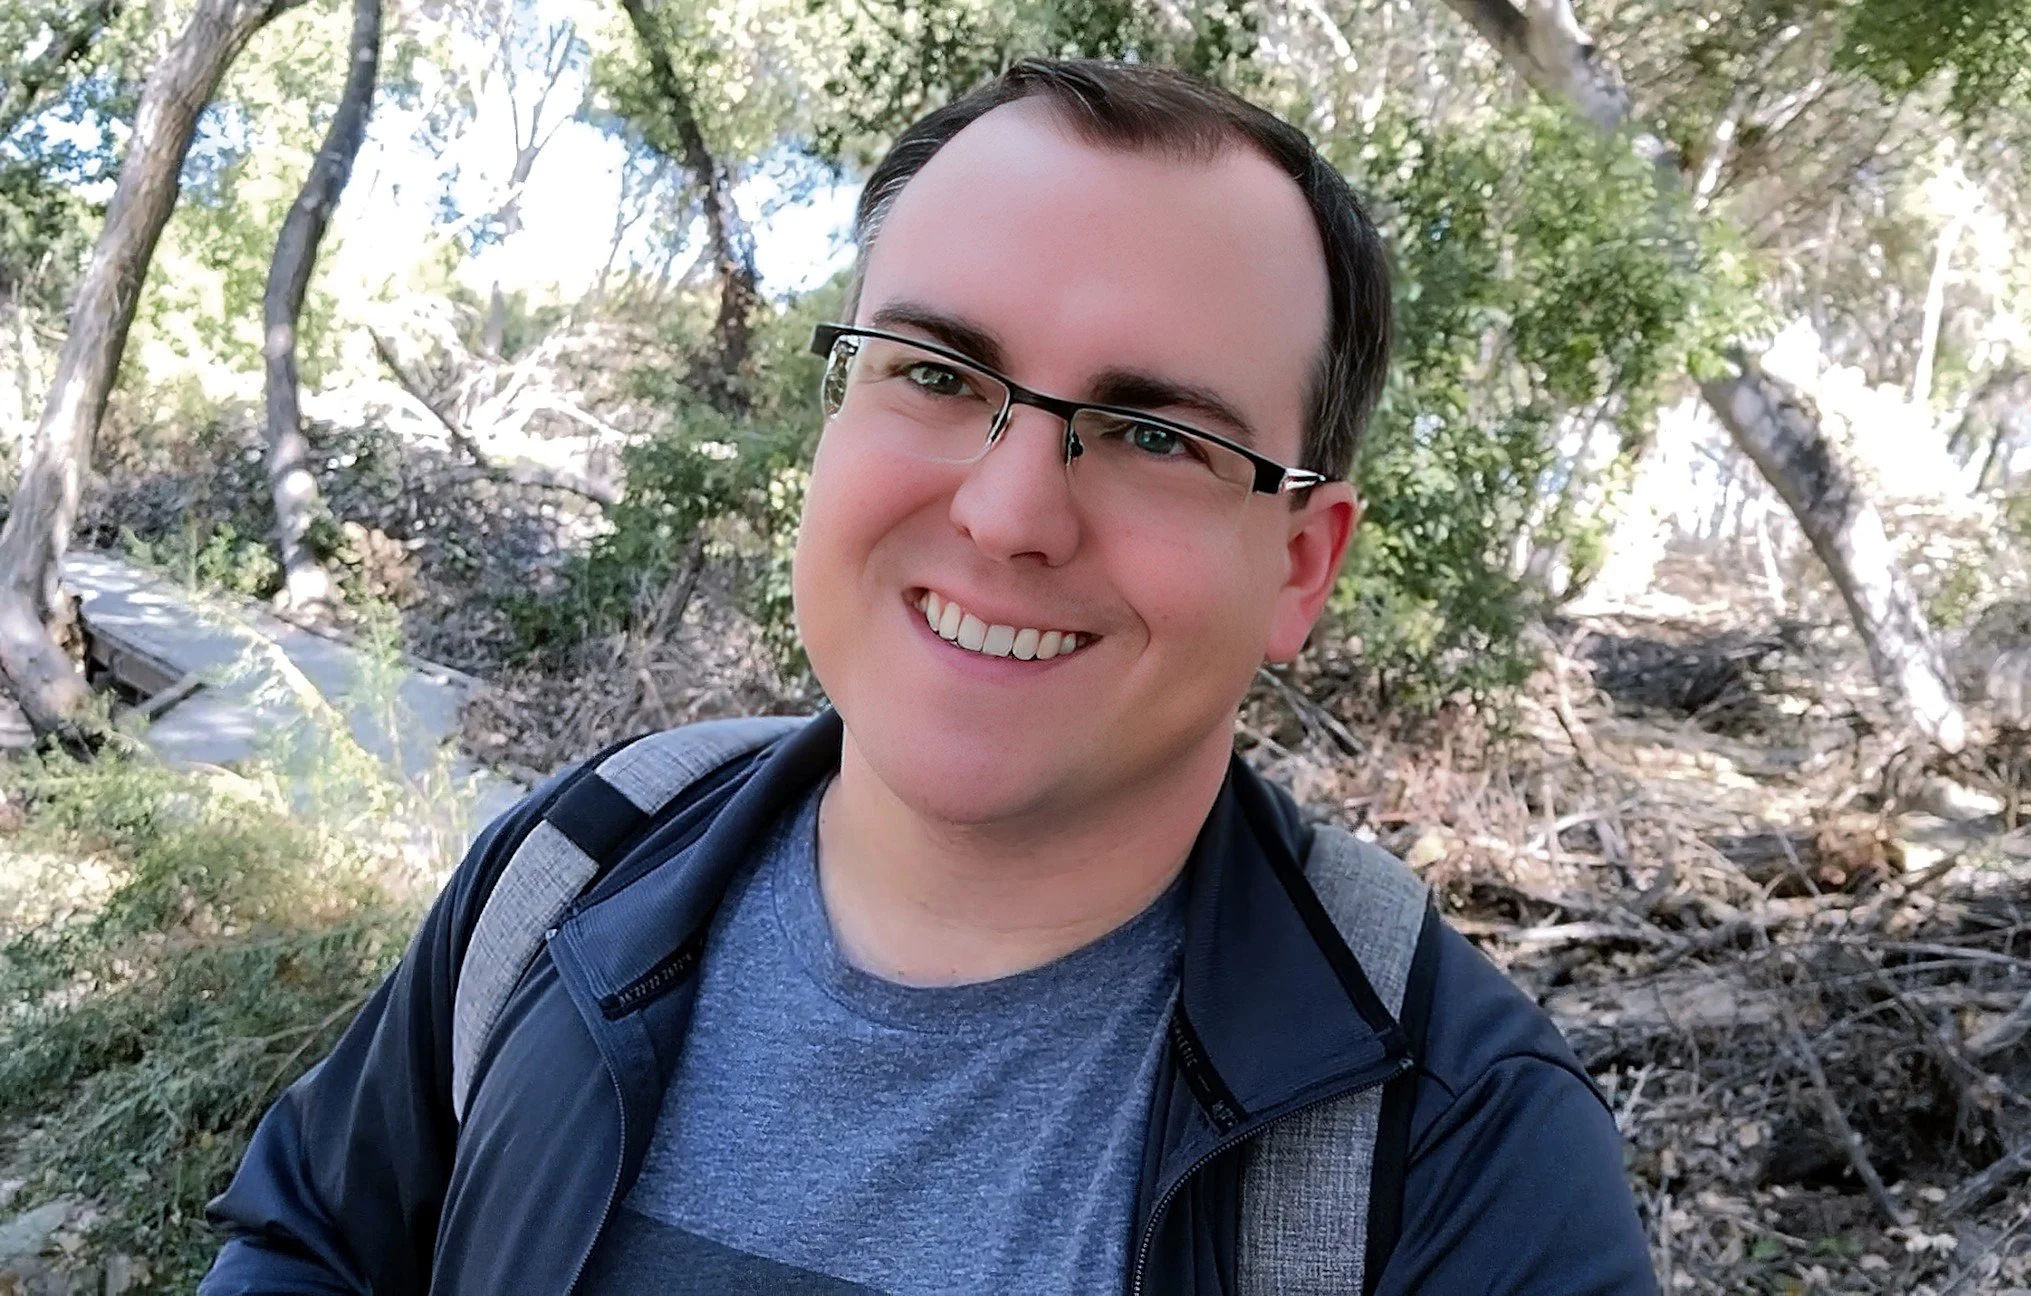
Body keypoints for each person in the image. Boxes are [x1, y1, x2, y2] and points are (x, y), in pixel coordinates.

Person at [202, 58, 1656, 1295]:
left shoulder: (1461, 1158)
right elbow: (313, 1235)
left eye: (1156, 436)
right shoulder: (572, 870)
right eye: (937, 375)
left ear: (1297, 567)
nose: (1008, 513)